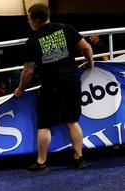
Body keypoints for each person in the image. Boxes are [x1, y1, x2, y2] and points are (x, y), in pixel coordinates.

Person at [13, 3, 93, 172]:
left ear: (35, 20)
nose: (28, 22)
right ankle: (79, 159)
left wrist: (20, 89)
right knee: (72, 121)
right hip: (72, 80)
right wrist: (89, 63)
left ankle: (41, 162)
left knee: (44, 125)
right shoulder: (66, 28)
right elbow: (86, 47)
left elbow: (28, 71)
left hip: (50, 85)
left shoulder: (33, 41)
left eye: (28, 19)